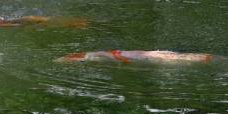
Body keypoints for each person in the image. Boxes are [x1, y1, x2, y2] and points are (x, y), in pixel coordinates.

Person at [57, 49, 213, 63]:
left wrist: (125, 62)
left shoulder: (96, 55)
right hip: (139, 54)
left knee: (169, 58)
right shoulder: (97, 55)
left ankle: (201, 58)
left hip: (140, 56)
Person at [0, 14, 87, 28]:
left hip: (23, 21)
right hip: (25, 20)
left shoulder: (1, 25)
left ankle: (74, 23)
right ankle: (75, 22)